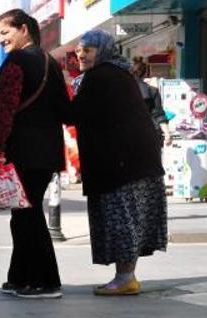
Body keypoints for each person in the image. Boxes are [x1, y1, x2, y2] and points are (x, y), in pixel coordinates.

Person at [70, 30, 167, 296]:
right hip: (136, 160)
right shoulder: (120, 73)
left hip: (123, 163)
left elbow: (73, 113)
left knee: (122, 218)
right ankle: (126, 275)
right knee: (130, 217)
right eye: (79, 50)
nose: (81, 54)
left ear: (102, 51)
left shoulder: (101, 76)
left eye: (87, 50)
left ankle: (125, 278)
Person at [0, 9, 69, 299]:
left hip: (22, 151)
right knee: (23, 213)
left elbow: (4, 109)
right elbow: (65, 110)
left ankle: (45, 281)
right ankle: (19, 277)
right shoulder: (51, 63)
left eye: (5, 33)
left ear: (23, 29)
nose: (1, 40)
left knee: (28, 214)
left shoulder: (16, 62)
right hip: (48, 153)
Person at [131, 57, 172, 147]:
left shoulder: (121, 91)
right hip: (150, 134)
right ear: (145, 74)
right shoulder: (152, 90)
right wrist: (167, 134)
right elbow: (159, 114)